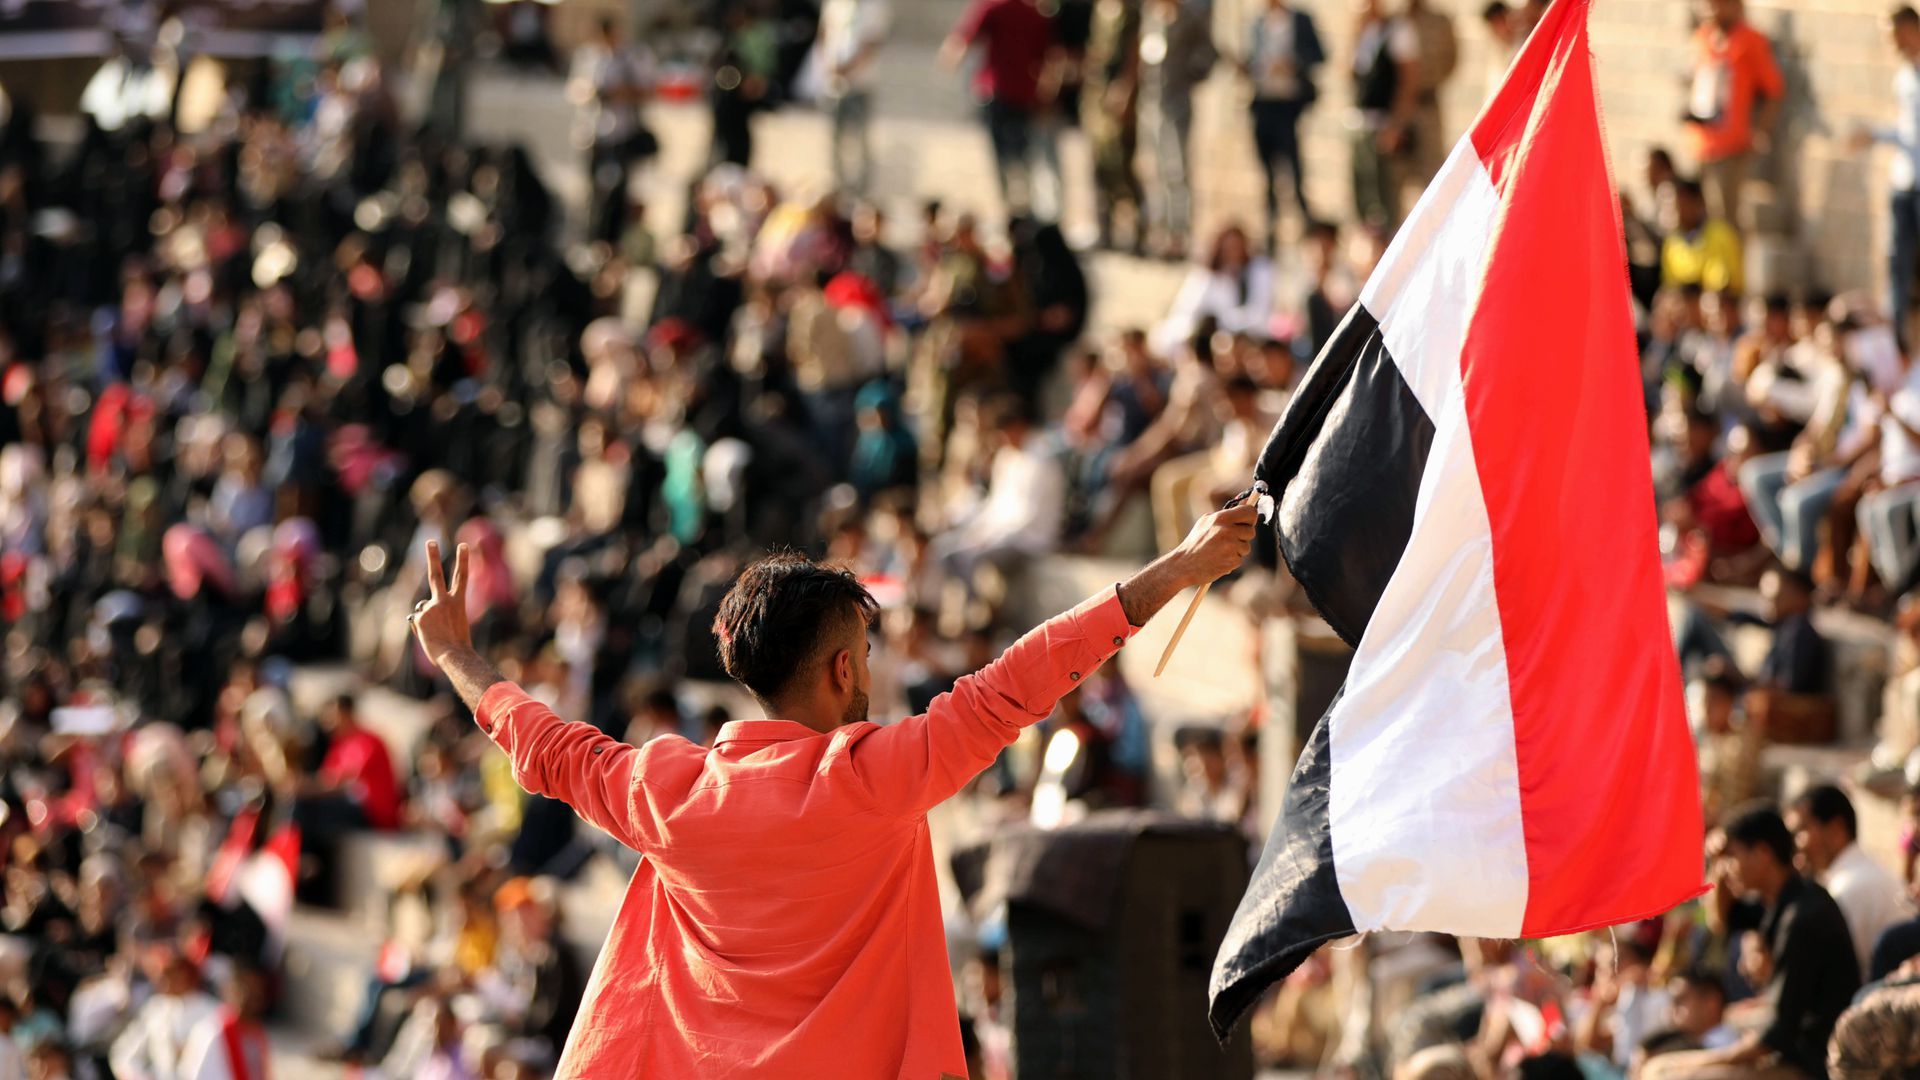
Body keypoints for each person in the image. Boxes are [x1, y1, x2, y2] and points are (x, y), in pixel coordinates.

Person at [404, 495, 1257, 1074]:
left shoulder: (664, 790)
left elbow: (543, 743)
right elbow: (1017, 683)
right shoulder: (876, 780)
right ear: (845, 667)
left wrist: (453, 653)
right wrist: (1176, 567)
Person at [1654, 805, 1859, 1078]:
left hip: (1815, 1064)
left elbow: (1777, 1034)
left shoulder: (1802, 917)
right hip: (1792, 1047)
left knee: (1668, 1074)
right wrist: (1716, 862)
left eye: (1732, 857)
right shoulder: (1781, 901)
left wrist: (1697, 1064)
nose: (1727, 870)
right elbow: (1721, 919)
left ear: (1761, 854)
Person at [943, 0, 1061, 220]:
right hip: (1021, 94)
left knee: (1005, 155)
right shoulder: (1034, 13)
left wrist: (951, 60)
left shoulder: (999, 8)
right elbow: (1048, 59)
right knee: (1020, 154)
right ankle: (1020, 208)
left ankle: (1014, 208)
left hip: (1001, 94)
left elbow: (963, 40)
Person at [1786, 784, 1913, 977]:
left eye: (1801, 830)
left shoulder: (1848, 889)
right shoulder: (1857, 876)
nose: (1796, 844)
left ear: (1836, 829)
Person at [1683, 0, 1784, 230]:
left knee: (1725, 218)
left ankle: (1731, 265)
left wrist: (1761, 131)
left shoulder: (1750, 40)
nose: (1712, 10)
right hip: (1700, 141)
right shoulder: (1703, 37)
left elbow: (1773, 90)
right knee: (1698, 216)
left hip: (1731, 145)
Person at [1854, 6, 1920, 354]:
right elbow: (1908, 131)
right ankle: (1897, 342)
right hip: (1905, 182)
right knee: (1897, 262)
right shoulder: (1905, 77)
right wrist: (1876, 135)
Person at [1241, 0, 1325, 251]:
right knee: (1268, 173)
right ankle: (1270, 231)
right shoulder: (1256, 23)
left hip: (1288, 106)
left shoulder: (1300, 20)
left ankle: (1309, 232)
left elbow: (1318, 55)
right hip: (1263, 104)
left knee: (1294, 170)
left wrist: (1292, 63)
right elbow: (1250, 60)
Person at [1137, 0, 1217, 259]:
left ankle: (1179, 233)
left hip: (1177, 103)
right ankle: (1160, 229)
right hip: (1152, 103)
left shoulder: (1189, 19)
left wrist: (1189, 76)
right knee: (1155, 169)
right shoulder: (1152, 17)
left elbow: (1208, 54)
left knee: (1176, 170)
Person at [567, 17, 655, 246]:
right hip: (594, 134)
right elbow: (575, 90)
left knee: (619, 193)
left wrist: (620, 93)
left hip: (623, 133)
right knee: (594, 191)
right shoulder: (588, 57)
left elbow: (647, 90)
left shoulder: (632, 57)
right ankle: (591, 238)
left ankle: (614, 241)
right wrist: (593, 93)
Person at [1349, 0, 1420, 230]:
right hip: (1363, 123)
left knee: (1386, 198)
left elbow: (1408, 82)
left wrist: (1396, 125)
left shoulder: (1398, 30)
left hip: (1385, 124)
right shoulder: (1364, 32)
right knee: (1363, 196)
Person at [293, 692, 402, 835]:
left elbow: (342, 782)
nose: (328, 721)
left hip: (374, 812)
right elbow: (327, 777)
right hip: (354, 805)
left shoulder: (369, 741)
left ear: (347, 713)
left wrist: (307, 788)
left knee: (307, 808)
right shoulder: (340, 744)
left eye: (333, 715)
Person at [1084, 0, 1144, 251]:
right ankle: (1104, 229)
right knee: (1099, 165)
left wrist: (1126, 89)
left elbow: (1136, 50)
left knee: (1121, 164)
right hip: (1097, 95)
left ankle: (1137, 230)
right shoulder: (1100, 9)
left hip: (1118, 95)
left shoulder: (1131, 10)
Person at [813, 0, 891, 195]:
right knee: (834, 137)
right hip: (833, 84)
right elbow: (824, 35)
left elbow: (872, 44)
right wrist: (829, 67)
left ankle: (861, 188)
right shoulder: (835, 5)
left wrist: (848, 69)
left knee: (859, 138)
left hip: (860, 83)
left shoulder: (876, 7)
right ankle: (837, 184)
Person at [108, 955, 221, 1080]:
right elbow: (124, 1055)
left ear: (185, 975)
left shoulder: (214, 1011)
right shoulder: (156, 1010)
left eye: (168, 975)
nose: (161, 981)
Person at [1399, 0, 1458, 195]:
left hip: (1427, 103)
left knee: (1433, 171)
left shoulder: (1440, 21)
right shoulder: (1393, 21)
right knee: (1395, 176)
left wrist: (1426, 84)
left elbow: (1451, 59)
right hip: (1396, 108)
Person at [1661, 178, 1744, 294]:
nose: (1676, 211)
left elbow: (1723, 285)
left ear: (1698, 203)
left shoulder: (1721, 233)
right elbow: (1671, 286)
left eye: (1680, 205)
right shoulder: (1671, 243)